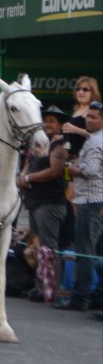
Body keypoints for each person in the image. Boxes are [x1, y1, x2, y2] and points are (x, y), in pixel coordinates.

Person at [18, 105, 72, 303]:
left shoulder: (61, 145)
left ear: (59, 125)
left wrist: (28, 178)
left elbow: (54, 171)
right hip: (35, 202)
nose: (47, 124)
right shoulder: (39, 143)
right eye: (45, 120)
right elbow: (26, 166)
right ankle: (40, 286)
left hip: (50, 204)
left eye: (52, 121)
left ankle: (51, 291)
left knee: (49, 249)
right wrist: (21, 177)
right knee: (38, 247)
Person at [56, 101, 102, 311]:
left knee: (85, 251)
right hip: (95, 200)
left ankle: (80, 297)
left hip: (90, 201)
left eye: (93, 117)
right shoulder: (94, 139)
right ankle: (96, 296)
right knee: (97, 251)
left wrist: (73, 168)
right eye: (87, 117)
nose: (88, 120)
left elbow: (90, 170)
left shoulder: (95, 141)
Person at [63, 76, 100, 157]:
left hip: (85, 159)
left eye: (85, 90)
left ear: (93, 93)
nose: (81, 92)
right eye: (78, 89)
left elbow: (98, 137)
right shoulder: (77, 109)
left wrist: (75, 130)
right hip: (69, 159)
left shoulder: (95, 110)